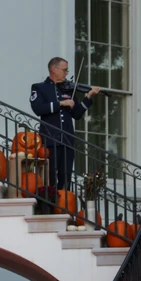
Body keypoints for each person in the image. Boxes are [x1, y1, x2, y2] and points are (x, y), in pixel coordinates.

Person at [30, 58, 99, 192]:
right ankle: (48, 206)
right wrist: (61, 103)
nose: (67, 73)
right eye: (64, 69)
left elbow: (77, 114)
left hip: (67, 141)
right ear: (54, 69)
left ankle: (64, 205)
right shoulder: (39, 88)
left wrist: (88, 97)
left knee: (65, 177)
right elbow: (38, 109)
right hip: (49, 140)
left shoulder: (68, 90)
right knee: (49, 177)